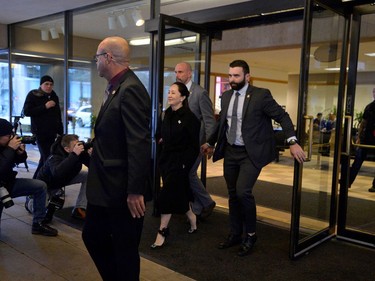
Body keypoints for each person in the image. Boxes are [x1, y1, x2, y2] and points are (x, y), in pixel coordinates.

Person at [201, 60, 306, 257]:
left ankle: (250, 234)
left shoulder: (261, 95)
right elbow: (222, 123)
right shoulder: (226, 96)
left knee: (243, 192)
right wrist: (210, 142)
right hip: (231, 151)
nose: (231, 80)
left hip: (251, 152)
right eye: (230, 76)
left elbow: (282, 116)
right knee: (232, 193)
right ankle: (235, 233)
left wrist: (292, 141)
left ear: (247, 77)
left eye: (236, 76)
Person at [82, 36, 151, 281]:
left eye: (97, 57)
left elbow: (138, 143)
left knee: (124, 250)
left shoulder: (130, 88)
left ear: (108, 58)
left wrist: (135, 190)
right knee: (93, 236)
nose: (96, 62)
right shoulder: (116, 85)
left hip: (121, 188)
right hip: (107, 186)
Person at [151, 82, 200, 249]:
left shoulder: (190, 118)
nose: (170, 95)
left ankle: (162, 231)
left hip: (180, 162)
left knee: (166, 195)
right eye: (169, 92)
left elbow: (194, 146)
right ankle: (191, 215)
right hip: (166, 160)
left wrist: (186, 164)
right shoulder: (166, 114)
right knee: (178, 191)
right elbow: (159, 133)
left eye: (173, 92)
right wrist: (161, 139)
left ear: (183, 97)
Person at [0, 118, 58, 236]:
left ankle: (38, 224)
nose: (12, 137)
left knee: (40, 186)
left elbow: (15, 161)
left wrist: (20, 153)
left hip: (7, 184)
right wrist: (10, 149)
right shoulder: (7, 147)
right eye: (8, 135)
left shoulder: (6, 146)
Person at [174, 62, 216, 219]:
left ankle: (205, 202)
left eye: (180, 72)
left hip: (195, 143)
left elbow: (209, 120)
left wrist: (210, 143)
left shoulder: (200, 93)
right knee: (186, 174)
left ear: (189, 74)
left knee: (190, 174)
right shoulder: (177, 92)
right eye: (176, 72)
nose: (177, 75)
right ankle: (198, 207)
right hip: (181, 144)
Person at [36, 134, 91, 221]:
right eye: (75, 146)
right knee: (40, 212)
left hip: (62, 181)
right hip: (45, 185)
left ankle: (80, 208)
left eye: (78, 144)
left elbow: (92, 166)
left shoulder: (79, 153)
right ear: (67, 149)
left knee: (87, 175)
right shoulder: (55, 156)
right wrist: (74, 155)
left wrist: (90, 155)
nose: (78, 147)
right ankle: (31, 200)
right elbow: (58, 173)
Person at [23, 75, 63, 179]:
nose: (49, 86)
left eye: (51, 84)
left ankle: (36, 184)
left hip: (52, 133)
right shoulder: (33, 95)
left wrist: (61, 132)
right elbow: (27, 111)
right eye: (46, 84)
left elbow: (58, 115)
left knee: (45, 159)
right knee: (48, 159)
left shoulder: (54, 96)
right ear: (41, 85)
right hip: (40, 132)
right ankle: (42, 186)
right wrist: (45, 107)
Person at [349, 88, 375, 192]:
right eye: (374, 92)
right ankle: (348, 181)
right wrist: (359, 137)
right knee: (357, 161)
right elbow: (363, 123)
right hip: (367, 138)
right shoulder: (369, 107)